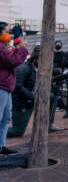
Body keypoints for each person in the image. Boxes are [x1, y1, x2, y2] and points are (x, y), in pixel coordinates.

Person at [0, 21, 28, 155]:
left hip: (6, 87)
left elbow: (9, 58)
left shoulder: (3, 47)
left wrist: (17, 49)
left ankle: (1, 146)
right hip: (1, 86)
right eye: (6, 31)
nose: (9, 34)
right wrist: (22, 48)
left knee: (5, 118)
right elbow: (12, 61)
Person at [7, 51, 39, 137]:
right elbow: (18, 86)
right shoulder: (23, 68)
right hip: (20, 104)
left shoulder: (33, 68)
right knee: (17, 131)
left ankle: (49, 125)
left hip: (27, 102)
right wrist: (32, 97)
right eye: (40, 60)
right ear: (35, 59)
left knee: (52, 98)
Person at [53, 40, 66, 111]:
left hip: (59, 74)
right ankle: (54, 105)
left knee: (59, 90)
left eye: (59, 44)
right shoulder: (52, 53)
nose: (58, 45)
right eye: (57, 44)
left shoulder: (63, 54)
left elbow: (63, 64)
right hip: (52, 74)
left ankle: (60, 106)